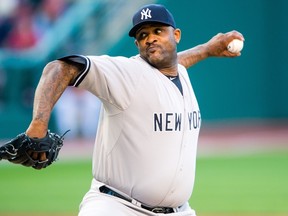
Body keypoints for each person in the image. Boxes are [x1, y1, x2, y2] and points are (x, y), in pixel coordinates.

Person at [23, 4, 244, 216]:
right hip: (116, 207)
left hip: (179, 211)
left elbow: (176, 62)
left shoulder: (179, 74)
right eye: (143, 35)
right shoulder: (127, 73)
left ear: (176, 35)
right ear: (137, 45)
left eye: (158, 31)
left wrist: (206, 50)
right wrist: (38, 125)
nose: (151, 39)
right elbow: (59, 68)